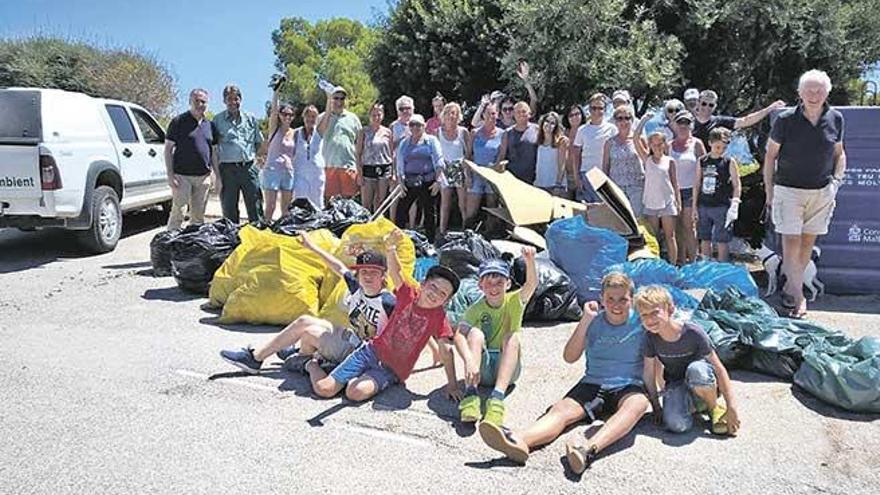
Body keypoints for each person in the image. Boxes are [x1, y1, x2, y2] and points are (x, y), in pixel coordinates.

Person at [477, 273, 649, 474]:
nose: (616, 304)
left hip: (628, 385)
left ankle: (587, 449)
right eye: (610, 299)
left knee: (637, 404)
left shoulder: (642, 322)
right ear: (601, 298)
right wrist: (585, 321)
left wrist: (655, 395)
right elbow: (570, 356)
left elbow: (657, 356)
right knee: (561, 410)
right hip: (592, 383)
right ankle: (520, 440)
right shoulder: (593, 320)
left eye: (622, 299)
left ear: (632, 299)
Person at [303, 229, 462, 403]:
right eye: (433, 287)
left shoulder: (439, 317)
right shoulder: (407, 294)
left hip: (390, 370)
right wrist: (391, 248)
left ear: (447, 300)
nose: (435, 294)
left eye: (443, 293)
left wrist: (452, 385)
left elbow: (447, 350)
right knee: (324, 390)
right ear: (423, 284)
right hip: (369, 352)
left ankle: (343, 371)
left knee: (354, 393)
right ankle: (312, 364)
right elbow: (396, 272)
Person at [219, 232, 395, 379]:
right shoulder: (357, 288)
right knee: (305, 321)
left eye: (374, 272)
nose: (368, 276)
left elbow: (406, 330)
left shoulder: (387, 301)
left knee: (308, 333)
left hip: (361, 354)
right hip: (351, 339)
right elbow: (338, 266)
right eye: (364, 272)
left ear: (383, 276)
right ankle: (264, 356)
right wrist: (311, 246)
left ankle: (301, 358)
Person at [764, 69, 846, 319]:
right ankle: (798, 297)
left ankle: (790, 289)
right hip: (788, 190)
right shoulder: (785, 119)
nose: (814, 94)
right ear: (799, 93)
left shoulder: (836, 118)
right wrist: (769, 191)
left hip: (821, 192)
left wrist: (836, 182)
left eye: (819, 90)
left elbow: (839, 153)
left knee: (806, 246)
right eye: (809, 90)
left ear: (827, 92)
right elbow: (770, 156)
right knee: (790, 244)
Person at [636, 285, 740, 436]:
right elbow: (648, 373)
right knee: (677, 425)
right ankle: (696, 403)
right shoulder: (649, 338)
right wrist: (656, 406)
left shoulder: (693, 333)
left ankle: (712, 407)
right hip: (677, 383)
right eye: (644, 315)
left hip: (701, 377)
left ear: (670, 310)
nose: (649, 319)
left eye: (655, 312)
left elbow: (719, 368)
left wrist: (732, 407)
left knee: (696, 369)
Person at [457, 248, 538, 427]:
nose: (494, 288)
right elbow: (459, 335)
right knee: (474, 334)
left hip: (508, 371)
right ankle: (470, 395)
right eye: (488, 283)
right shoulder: (476, 308)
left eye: (499, 282)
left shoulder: (514, 301)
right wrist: (469, 360)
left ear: (508, 284)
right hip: (481, 370)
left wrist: (530, 260)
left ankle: (496, 399)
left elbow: (531, 285)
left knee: (512, 337)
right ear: (480, 286)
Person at [164, 88, 220, 231]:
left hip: (203, 177)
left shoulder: (210, 125)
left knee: (198, 217)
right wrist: (170, 176)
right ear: (190, 102)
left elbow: (213, 152)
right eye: (197, 101)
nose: (200, 104)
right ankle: (170, 248)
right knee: (178, 213)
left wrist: (216, 176)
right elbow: (168, 149)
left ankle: (193, 248)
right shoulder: (178, 122)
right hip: (182, 176)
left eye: (203, 102)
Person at [213, 85, 264, 224]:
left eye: (236, 99)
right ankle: (233, 240)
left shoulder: (251, 118)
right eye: (229, 99)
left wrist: (254, 159)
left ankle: (258, 238)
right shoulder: (217, 121)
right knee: (229, 209)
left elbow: (258, 142)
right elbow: (214, 148)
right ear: (224, 101)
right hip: (228, 170)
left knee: (256, 207)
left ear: (240, 99)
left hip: (248, 168)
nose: (233, 102)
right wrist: (217, 174)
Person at [693, 127, 742, 262]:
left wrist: (735, 203)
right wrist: (694, 207)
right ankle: (706, 265)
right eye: (717, 147)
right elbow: (697, 184)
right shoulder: (702, 161)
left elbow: (737, 184)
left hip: (721, 205)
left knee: (722, 240)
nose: (720, 150)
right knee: (705, 237)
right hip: (704, 204)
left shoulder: (728, 162)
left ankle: (722, 266)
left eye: (723, 148)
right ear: (710, 143)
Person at [395, 114, 444, 242]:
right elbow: (399, 165)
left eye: (418, 125)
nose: (415, 127)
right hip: (409, 182)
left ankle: (431, 241)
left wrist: (438, 181)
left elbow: (439, 161)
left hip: (428, 181)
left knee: (429, 213)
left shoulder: (431, 141)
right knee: (401, 211)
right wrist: (400, 183)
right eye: (412, 125)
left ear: (424, 126)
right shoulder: (404, 143)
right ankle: (398, 241)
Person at [669, 110, 706, 265]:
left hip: (691, 190)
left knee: (689, 227)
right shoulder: (668, 145)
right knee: (676, 229)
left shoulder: (696, 144)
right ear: (675, 125)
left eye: (687, 123)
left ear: (692, 125)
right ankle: (681, 262)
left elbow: (705, 165)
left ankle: (694, 262)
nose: (683, 126)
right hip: (673, 191)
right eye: (680, 123)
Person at [602, 105, 649, 217]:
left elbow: (648, 162)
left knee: (638, 220)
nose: (623, 121)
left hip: (637, 187)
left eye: (627, 118)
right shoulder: (609, 143)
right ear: (615, 121)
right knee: (619, 221)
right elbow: (605, 166)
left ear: (632, 120)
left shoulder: (640, 139)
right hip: (617, 187)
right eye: (620, 118)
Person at [692, 89, 785, 145]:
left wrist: (769, 108)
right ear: (698, 103)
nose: (706, 107)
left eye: (710, 105)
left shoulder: (719, 121)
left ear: (715, 106)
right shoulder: (688, 122)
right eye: (704, 103)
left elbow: (746, 120)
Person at [642, 131, 681, 264]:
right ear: (650, 145)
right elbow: (636, 138)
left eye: (660, 143)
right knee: (653, 237)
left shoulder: (670, 161)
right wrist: (644, 120)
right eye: (654, 144)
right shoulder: (646, 159)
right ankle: (655, 264)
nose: (657, 147)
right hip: (651, 201)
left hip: (667, 201)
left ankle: (673, 265)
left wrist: (678, 202)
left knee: (670, 236)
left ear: (664, 144)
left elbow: (675, 183)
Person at [317, 86, 362, 201]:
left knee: (349, 203)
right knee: (328, 203)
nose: (339, 101)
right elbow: (319, 133)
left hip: (348, 165)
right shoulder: (322, 117)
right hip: (328, 165)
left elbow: (359, 145)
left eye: (342, 98)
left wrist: (359, 170)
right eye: (336, 98)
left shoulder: (353, 118)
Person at [573, 93, 616, 202]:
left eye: (600, 108)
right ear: (589, 109)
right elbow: (576, 155)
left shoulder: (612, 129)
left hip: (605, 175)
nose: (597, 111)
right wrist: (577, 177)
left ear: (605, 110)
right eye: (594, 108)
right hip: (586, 174)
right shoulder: (582, 130)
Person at [465, 103, 503, 226]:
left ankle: (490, 235)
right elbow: (468, 155)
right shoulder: (475, 133)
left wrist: (496, 173)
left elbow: (501, 156)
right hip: (476, 174)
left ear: (497, 115)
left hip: (492, 175)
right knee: (471, 210)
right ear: (483, 115)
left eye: (493, 113)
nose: (491, 116)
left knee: (492, 209)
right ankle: (467, 233)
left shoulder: (502, 134)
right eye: (488, 113)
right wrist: (468, 176)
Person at [261, 92, 296, 220]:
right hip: (272, 171)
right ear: (280, 115)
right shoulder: (274, 129)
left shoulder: (295, 133)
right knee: (270, 207)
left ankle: (282, 234)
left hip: (288, 172)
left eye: (290, 115)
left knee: (286, 210)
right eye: (285, 114)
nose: (287, 117)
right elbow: (273, 112)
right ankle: (265, 231)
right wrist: (276, 93)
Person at [437, 102, 471, 234]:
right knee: (445, 203)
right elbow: (436, 153)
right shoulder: (438, 132)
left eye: (454, 113)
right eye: (448, 113)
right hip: (444, 167)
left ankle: (466, 231)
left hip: (459, 168)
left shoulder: (463, 132)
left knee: (462, 203)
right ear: (443, 115)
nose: (451, 116)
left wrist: (467, 174)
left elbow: (468, 154)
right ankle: (441, 231)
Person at [356, 103, 394, 213]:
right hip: (368, 168)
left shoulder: (388, 132)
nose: (376, 118)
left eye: (379, 114)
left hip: (384, 167)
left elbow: (392, 153)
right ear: (369, 116)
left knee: (381, 201)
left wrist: (393, 172)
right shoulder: (363, 132)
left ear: (382, 115)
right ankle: (366, 225)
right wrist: (359, 173)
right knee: (366, 202)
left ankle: (378, 225)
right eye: (374, 115)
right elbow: (358, 153)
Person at [292, 105, 326, 209]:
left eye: (313, 117)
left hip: (317, 175)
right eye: (308, 116)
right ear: (303, 117)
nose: (310, 119)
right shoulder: (295, 133)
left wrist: (330, 98)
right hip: (300, 175)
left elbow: (328, 115)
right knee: (300, 204)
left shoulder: (319, 132)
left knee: (318, 205)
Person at [497, 101, 539, 184]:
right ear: (514, 115)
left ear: (529, 113)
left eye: (524, 111)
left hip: (533, 179)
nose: (521, 114)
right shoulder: (507, 133)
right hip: (512, 180)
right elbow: (502, 156)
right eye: (518, 112)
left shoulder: (537, 130)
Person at [533, 111, 569, 195]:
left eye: (552, 123)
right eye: (547, 121)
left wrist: (558, 185)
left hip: (555, 187)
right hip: (540, 185)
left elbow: (562, 165)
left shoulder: (560, 142)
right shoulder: (538, 142)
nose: (549, 125)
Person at [564, 104, 586, 200]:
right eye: (571, 115)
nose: (574, 117)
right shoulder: (563, 133)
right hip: (565, 178)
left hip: (581, 176)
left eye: (577, 114)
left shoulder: (586, 132)